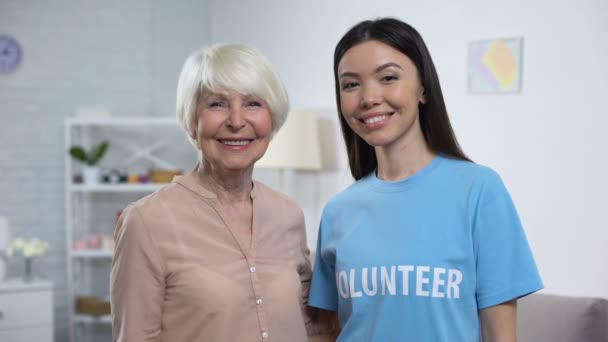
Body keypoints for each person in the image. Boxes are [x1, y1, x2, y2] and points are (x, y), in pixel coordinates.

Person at [308, 17, 543, 341]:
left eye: (388, 77)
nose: (368, 97)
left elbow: (500, 335)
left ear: (423, 89)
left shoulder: (479, 191)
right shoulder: (337, 211)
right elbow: (324, 331)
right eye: (351, 84)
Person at [111, 43, 335, 342]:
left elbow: (311, 328)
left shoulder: (288, 214)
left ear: (272, 119)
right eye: (217, 104)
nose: (236, 121)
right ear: (192, 121)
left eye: (253, 103)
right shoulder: (146, 222)